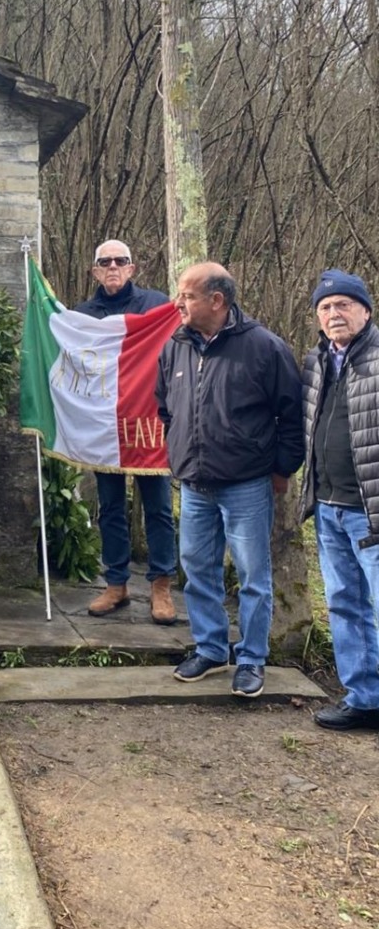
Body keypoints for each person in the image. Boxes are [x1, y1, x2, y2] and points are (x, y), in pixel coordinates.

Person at [155, 262, 303, 698]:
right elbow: (166, 407)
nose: (177, 302)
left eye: (186, 295)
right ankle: (211, 648)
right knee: (198, 571)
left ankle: (252, 659)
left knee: (253, 575)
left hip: (247, 486)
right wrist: (180, 450)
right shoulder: (175, 347)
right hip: (195, 484)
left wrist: (281, 469)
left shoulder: (264, 348)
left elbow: (291, 417)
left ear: (216, 301)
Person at [75, 239, 178, 624]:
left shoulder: (156, 306)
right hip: (105, 426)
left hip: (151, 422)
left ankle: (161, 585)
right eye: (106, 262)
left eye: (121, 261)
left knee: (159, 509)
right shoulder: (83, 315)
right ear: (95, 271)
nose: (114, 267)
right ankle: (116, 583)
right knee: (111, 508)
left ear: (133, 268)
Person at [299, 270, 379, 731]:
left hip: (371, 511)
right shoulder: (316, 361)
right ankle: (365, 698)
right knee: (345, 604)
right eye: (326, 308)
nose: (334, 313)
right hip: (328, 506)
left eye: (344, 304)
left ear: (365, 310)